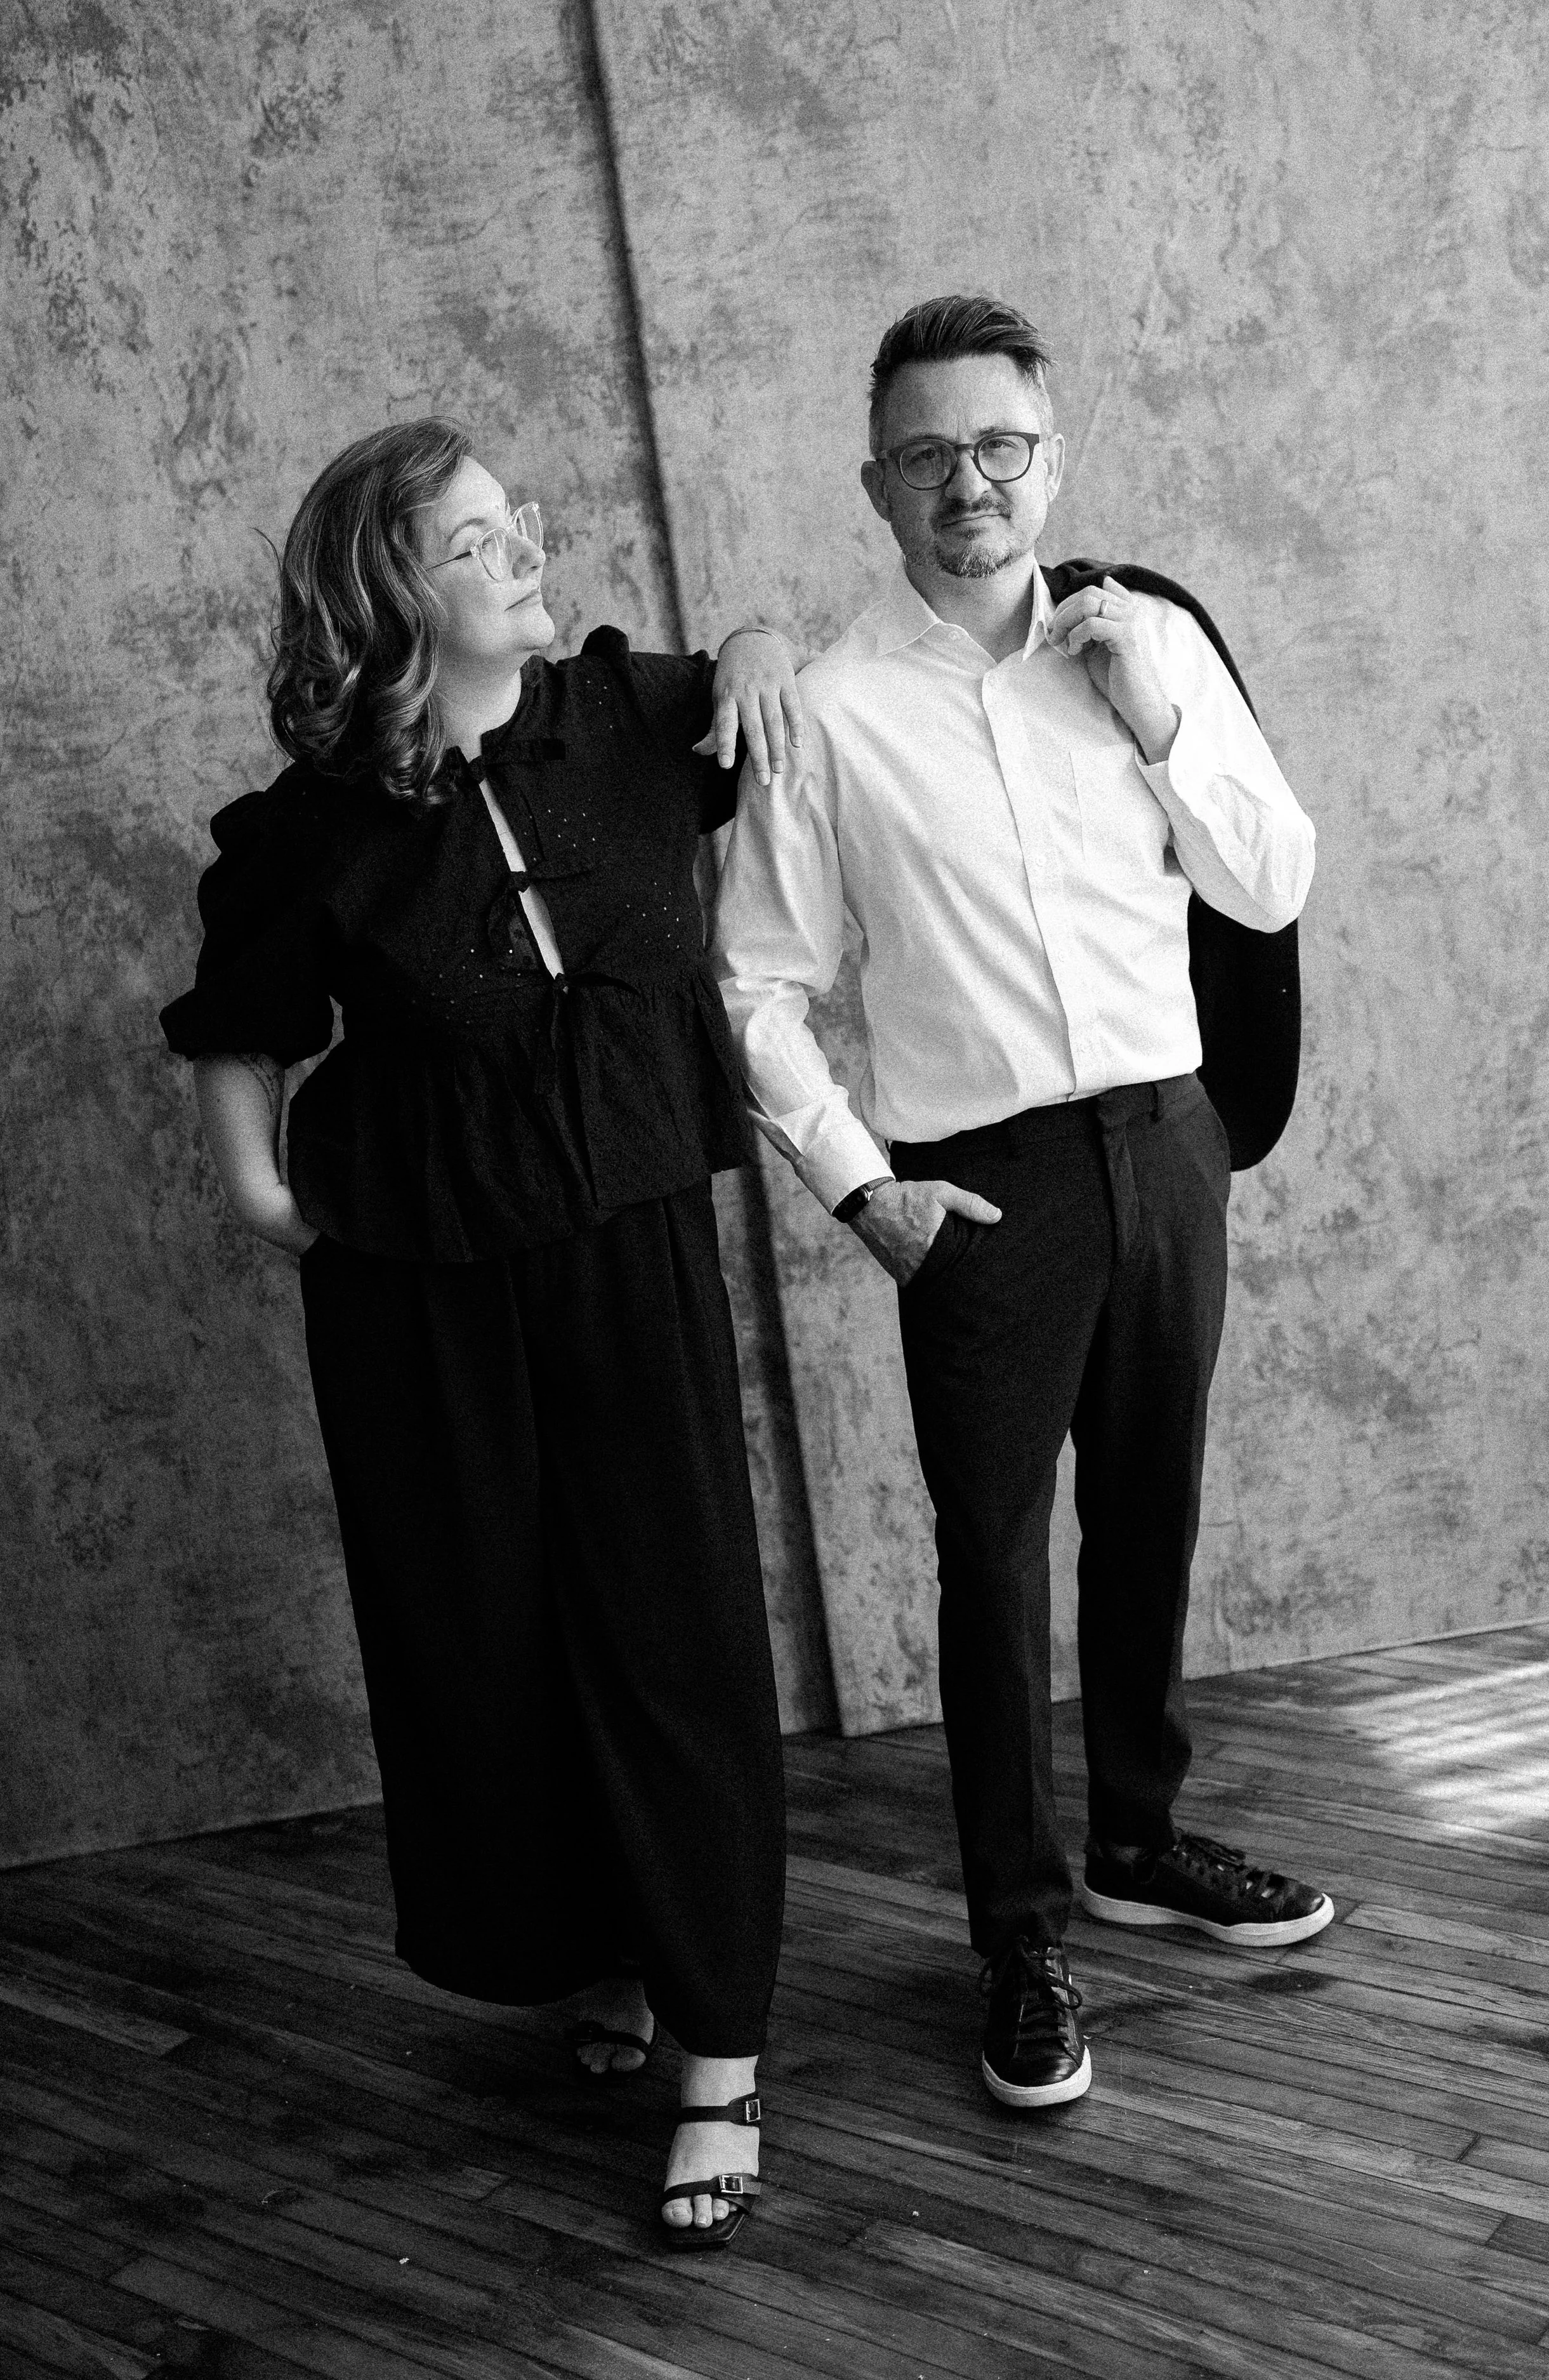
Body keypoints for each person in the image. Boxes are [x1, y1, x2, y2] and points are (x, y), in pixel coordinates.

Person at [161, 418, 803, 2244]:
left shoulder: (626, 718)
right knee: (486, 1632)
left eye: (521, 521)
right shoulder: (314, 829)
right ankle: (592, 1958)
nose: (528, 547)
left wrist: (752, 641)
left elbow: (763, 663)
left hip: (626, 1243)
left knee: (670, 1623)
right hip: (418, 1272)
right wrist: (265, 1195)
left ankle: (718, 2047)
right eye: (476, 536)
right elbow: (237, 1022)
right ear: (390, 593)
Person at [712, 295, 1333, 2113]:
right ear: (875, 485)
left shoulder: (1148, 646)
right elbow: (752, 983)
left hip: (1162, 1143)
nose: (966, 484)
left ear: (1047, 461)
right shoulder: (826, 711)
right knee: (989, 1567)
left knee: (1151, 1505)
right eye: (925, 455)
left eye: (998, 448)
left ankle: (1141, 1838)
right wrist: (860, 1187)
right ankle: (1019, 1931)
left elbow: (1269, 872)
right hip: (974, 1186)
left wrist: (1157, 720)